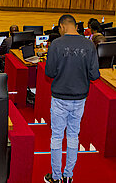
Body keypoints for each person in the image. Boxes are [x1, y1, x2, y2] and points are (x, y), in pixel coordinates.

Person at [44, 14, 100, 183]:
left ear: (62, 26)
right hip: (80, 98)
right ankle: (68, 175)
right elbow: (94, 75)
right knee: (73, 136)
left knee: (57, 137)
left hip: (59, 98)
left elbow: (49, 72)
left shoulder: (56, 44)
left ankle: (56, 177)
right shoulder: (89, 44)